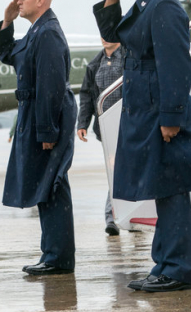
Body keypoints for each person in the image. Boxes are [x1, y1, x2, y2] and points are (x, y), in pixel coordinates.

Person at [94, 0, 191, 292]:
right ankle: (165, 265)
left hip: (158, 110)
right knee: (162, 189)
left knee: (171, 190)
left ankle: (178, 270)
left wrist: (171, 118)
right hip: (146, 107)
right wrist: (113, 0)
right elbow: (117, 36)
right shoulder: (148, 2)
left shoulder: (164, 5)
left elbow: (177, 66)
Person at [0, 0, 77, 275]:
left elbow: (51, 87)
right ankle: (53, 255)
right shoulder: (36, 31)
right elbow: (8, 55)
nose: (18, 0)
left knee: (51, 186)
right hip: (37, 112)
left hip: (46, 113)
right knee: (46, 186)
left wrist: (47, 131)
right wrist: (6, 21)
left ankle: (58, 258)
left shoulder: (48, 33)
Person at [76, 39, 124, 236]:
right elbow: (86, 95)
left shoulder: (130, 57)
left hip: (131, 124)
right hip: (106, 128)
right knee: (115, 172)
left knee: (130, 169)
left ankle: (128, 212)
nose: (105, 38)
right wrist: (82, 123)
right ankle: (112, 217)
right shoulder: (95, 64)